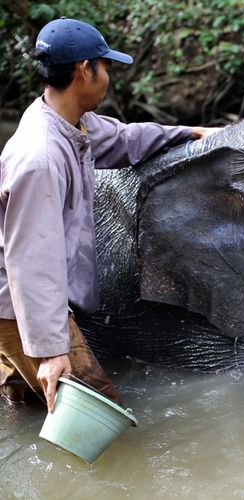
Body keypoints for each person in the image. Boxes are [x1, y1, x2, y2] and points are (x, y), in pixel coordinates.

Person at [0, 18, 214, 412]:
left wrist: (189, 134)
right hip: (17, 307)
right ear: (85, 70)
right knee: (99, 421)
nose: (108, 79)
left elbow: (123, 138)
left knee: (30, 411)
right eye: (107, 68)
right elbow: (31, 261)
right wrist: (51, 351)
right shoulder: (41, 157)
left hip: (18, 306)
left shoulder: (68, 124)